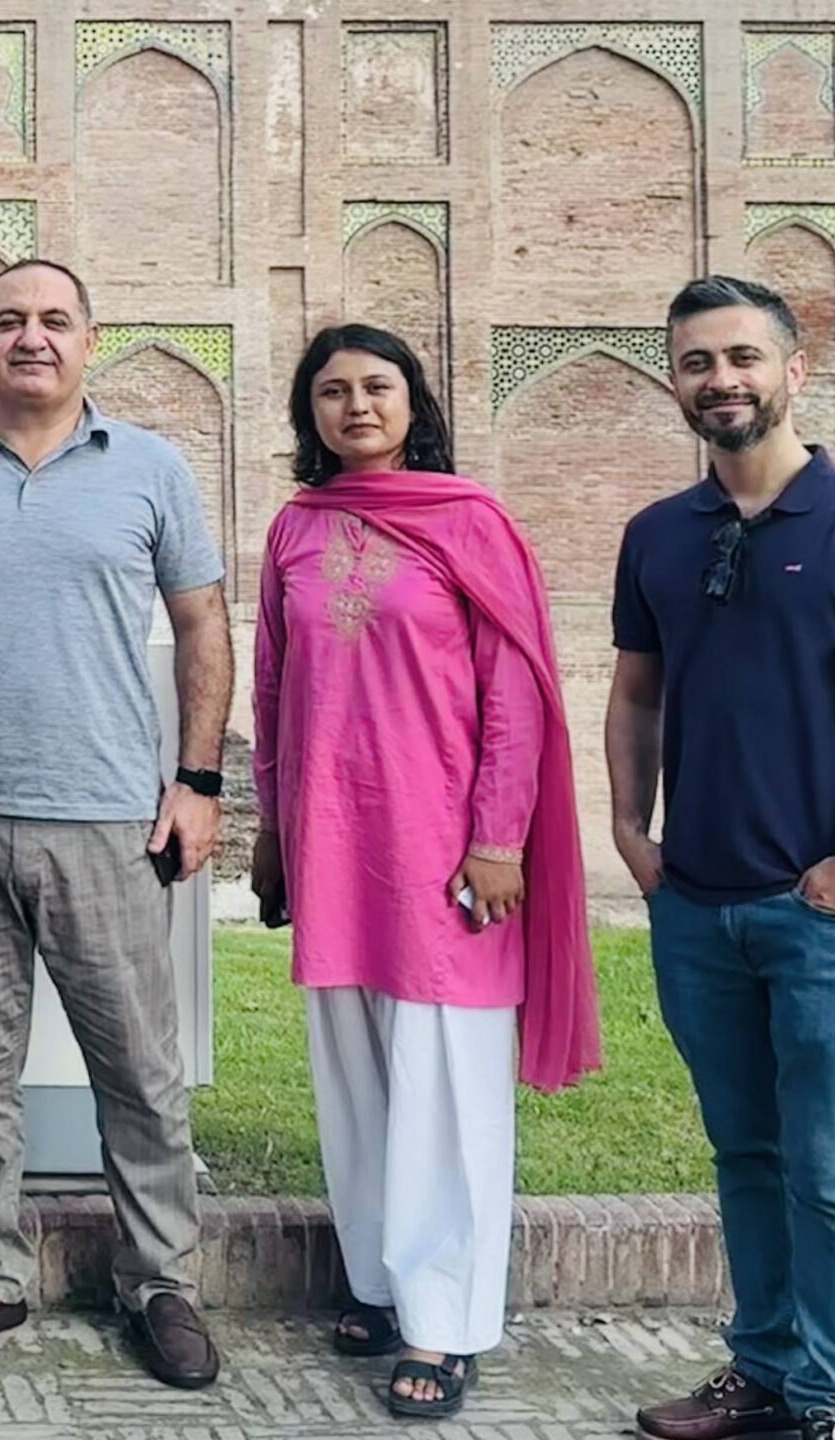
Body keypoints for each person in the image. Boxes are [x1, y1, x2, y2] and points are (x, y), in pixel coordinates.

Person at [610, 277, 835, 1440]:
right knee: (746, 1157)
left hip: (825, 915)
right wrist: (629, 825)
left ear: (792, 370)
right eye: (695, 362)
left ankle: (829, 1401)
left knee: (830, 1169)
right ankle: (761, 1368)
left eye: (740, 358)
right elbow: (634, 692)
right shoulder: (658, 534)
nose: (719, 380)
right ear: (674, 382)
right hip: (697, 909)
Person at [0, 258, 230, 1390]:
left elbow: (204, 623)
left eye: (54, 321)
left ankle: (159, 1281)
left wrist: (198, 781)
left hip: (109, 816)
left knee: (137, 1066)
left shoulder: (150, 468)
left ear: (90, 341)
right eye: (10, 320)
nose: (33, 338)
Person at [250, 324, 601, 1420]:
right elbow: (271, 689)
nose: (355, 407)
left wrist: (499, 839)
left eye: (377, 388)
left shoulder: (469, 521)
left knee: (446, 1082)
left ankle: (445, 1324)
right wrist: (271, 830)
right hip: (331, 844)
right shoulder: (295, 530)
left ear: (414, 404)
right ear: (308, 413)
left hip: (448, 852)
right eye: (333, 392)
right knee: (356, 1071)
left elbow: (517, 694)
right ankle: (378, 1282)